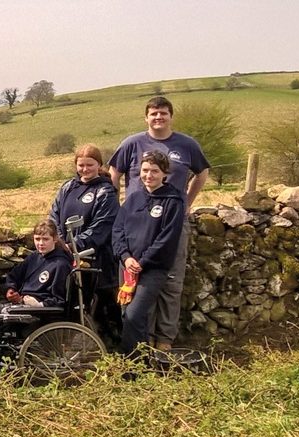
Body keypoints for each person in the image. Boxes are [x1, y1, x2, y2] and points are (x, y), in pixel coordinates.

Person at [108, 96, 209, 351]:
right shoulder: (132, 143)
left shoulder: (186, 144)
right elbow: (114, 173)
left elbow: (202, 173)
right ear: (146, 117)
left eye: (163, 113)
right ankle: (146, 344)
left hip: (171, 221)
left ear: (170, 116)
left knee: (171, 284)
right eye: (153, 113)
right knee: (137, 288)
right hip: (136, 223)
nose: (158, 118)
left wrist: (186, 202)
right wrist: (120, 204)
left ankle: (164, 343)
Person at [112, 150, 185, 355]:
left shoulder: (173, 201)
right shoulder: (133, 199)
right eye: (145, 170)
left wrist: (142, 262)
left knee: (135, 314)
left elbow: (167, 239)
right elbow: (118, 231)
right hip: (127, 268)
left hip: (152, 269)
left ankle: (133, 365)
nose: (149, 175)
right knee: (127, 314)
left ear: (164, 173)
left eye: (154, 170)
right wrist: (126, 258)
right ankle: (138, 364)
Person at [49, 144, 120, 335]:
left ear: (99, 165)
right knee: (73, 304)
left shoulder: (106, 192)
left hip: (98, 261)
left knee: (103, 308)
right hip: (68, 258)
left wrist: (75, 245)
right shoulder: (68, 187)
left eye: (90, 165)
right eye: (81, 165)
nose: (85, 169)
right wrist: (59, 241)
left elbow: (102, 227)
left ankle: (111, 348)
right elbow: (54, 216)